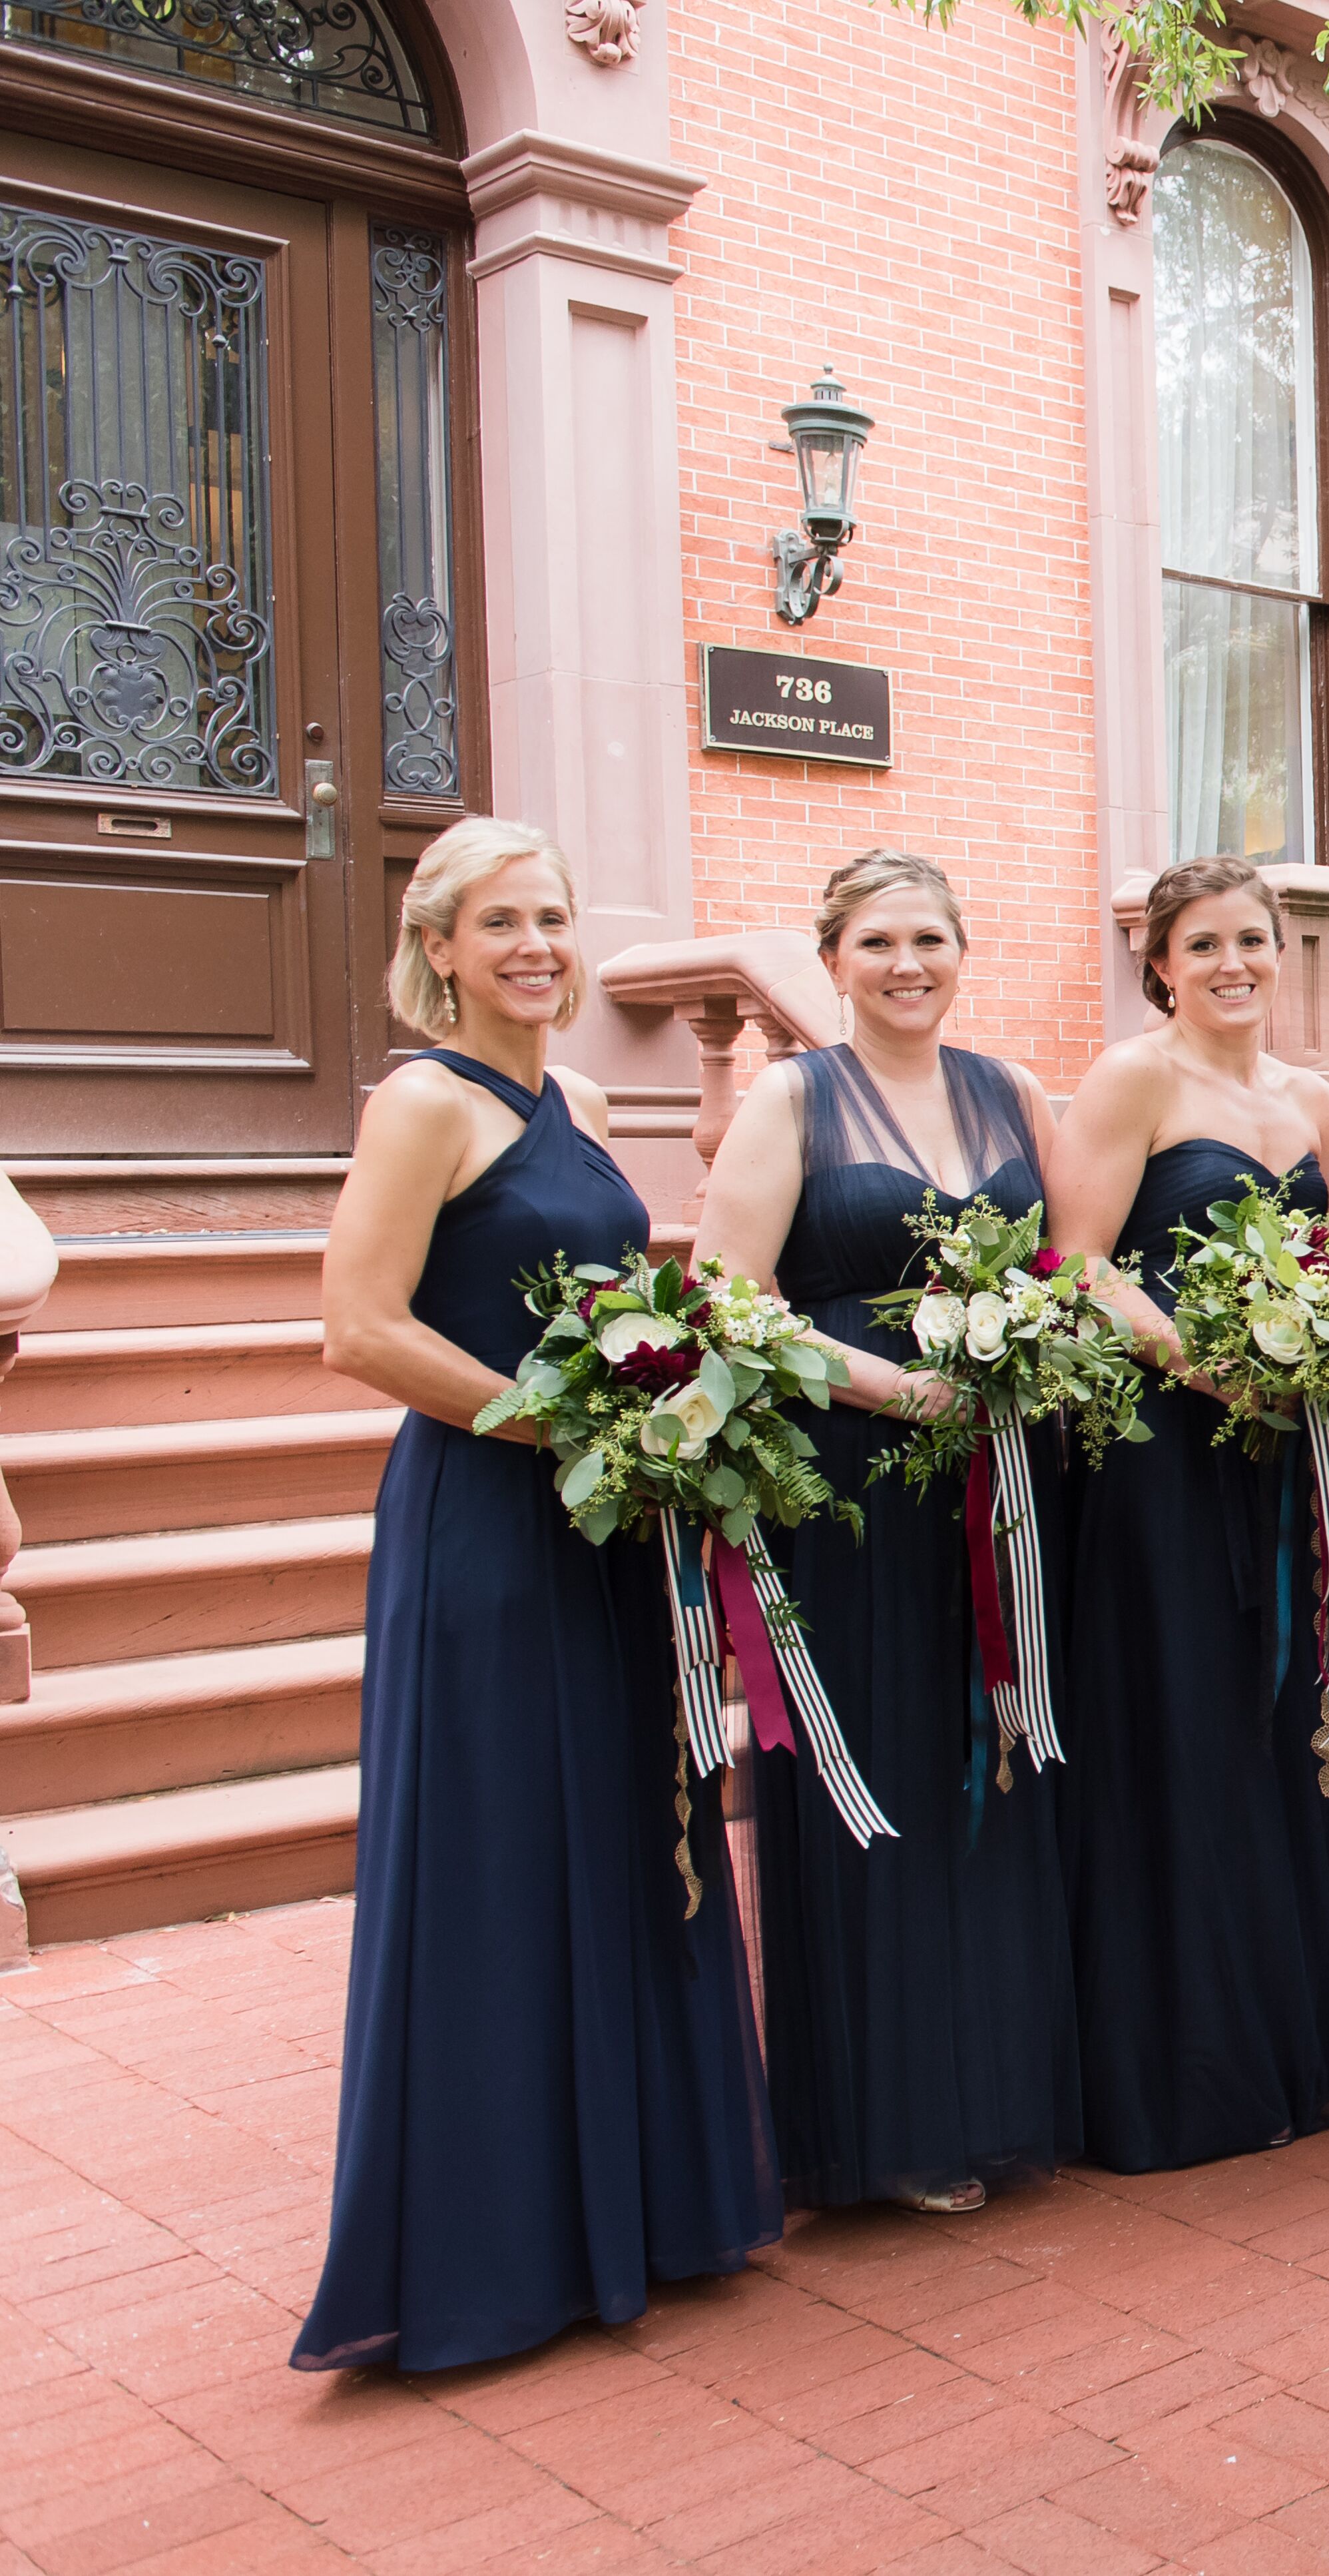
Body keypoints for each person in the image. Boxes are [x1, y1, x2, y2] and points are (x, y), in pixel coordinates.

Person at [297, 819, 778, 2370]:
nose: (537, 945)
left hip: (606, 1527)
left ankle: (634, 2204)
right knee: (504, 1850)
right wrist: (552, 1419)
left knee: (625, 1834)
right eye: (500, 920)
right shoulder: (420, 1102)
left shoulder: (567, 1095)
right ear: (438, 945)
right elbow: (359, 1326)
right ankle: (494, 2247)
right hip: (486, 1529)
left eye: (555, 917)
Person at [691, 849, 1082, 2214]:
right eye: (876, 942)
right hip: (849, 1481)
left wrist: (1032, 1356)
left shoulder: (1012, 1092)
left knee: (992, 1759)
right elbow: (725, 1298)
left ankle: (999, 2088)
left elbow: (1067, 1269)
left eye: (928, 938)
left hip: (1000, 1481)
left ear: (961, 951)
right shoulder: (791, 1096)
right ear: (834, 958)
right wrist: (889, 1383)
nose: (906, 963)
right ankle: (888, 2111)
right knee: (884, 1773)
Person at [1045, 853, 1329, 2171]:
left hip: (1279, 1447)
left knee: (1273, 1716)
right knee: (1175, 1723)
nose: (1233, 961)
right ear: (1160, 964)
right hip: (1161, 1452)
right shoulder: (1131, 1079)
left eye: (1252, 938)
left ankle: (1292, 2039)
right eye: (1203, 943)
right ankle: (1182, 2073)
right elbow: (1076, 1261)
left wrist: (1328, 1342)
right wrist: (1194, 1354)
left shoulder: (1312, 1096)